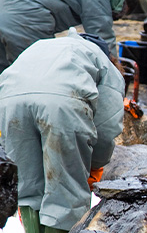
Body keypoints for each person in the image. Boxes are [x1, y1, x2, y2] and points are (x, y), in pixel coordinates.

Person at [0, 29, 124, 232]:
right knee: (66, 194)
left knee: (27, 184)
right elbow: (107, 124)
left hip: (8, 102)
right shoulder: (104, 62)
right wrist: (94, 164)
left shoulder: (43, 45)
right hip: (61, 103)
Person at [0, 0, 139, 72]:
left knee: (5, 71)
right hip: (24, 13)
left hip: (5, 0)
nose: (116, 16)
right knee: (38, 71)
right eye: (120, 13)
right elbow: (103, 40)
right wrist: (116, 75)